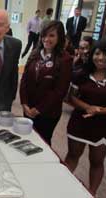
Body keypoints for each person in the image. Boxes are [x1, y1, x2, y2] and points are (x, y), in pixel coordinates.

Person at [19, 21, 72, 145]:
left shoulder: (65, 59)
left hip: (48, 112)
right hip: (28, 108)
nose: (46, 39)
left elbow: (60, 90)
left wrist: (38, 109)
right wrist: (24, 103)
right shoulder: (35, 54)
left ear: (60, 37)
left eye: (52, 35)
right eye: (44, 35)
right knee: (27, 141)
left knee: (42, 143)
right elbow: (24, 80)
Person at [64, 40, 106, 196]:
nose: (100, 58)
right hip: (79, 124)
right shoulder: (81, 74)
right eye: (97, 53)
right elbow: (70, 98)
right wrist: (87, 107)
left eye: (105, 54)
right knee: (72, 156)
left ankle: (92, 193)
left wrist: (99, 110)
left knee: (97, 161)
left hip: (102, 128)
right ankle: (61, 187)